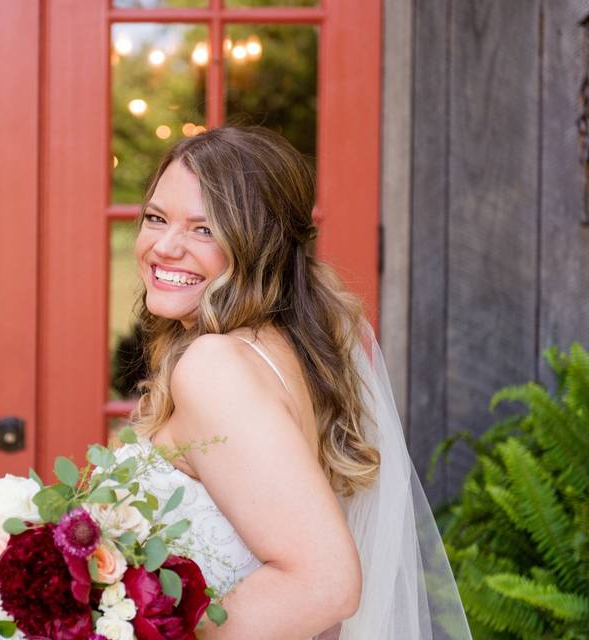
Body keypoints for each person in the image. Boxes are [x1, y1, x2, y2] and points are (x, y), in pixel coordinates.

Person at [119, 126, 471, 639]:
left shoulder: (214, 366)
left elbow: (325, 585)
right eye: (156, 218)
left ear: (258, 245)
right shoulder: (281, 347)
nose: (164, 247)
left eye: (205, 229)